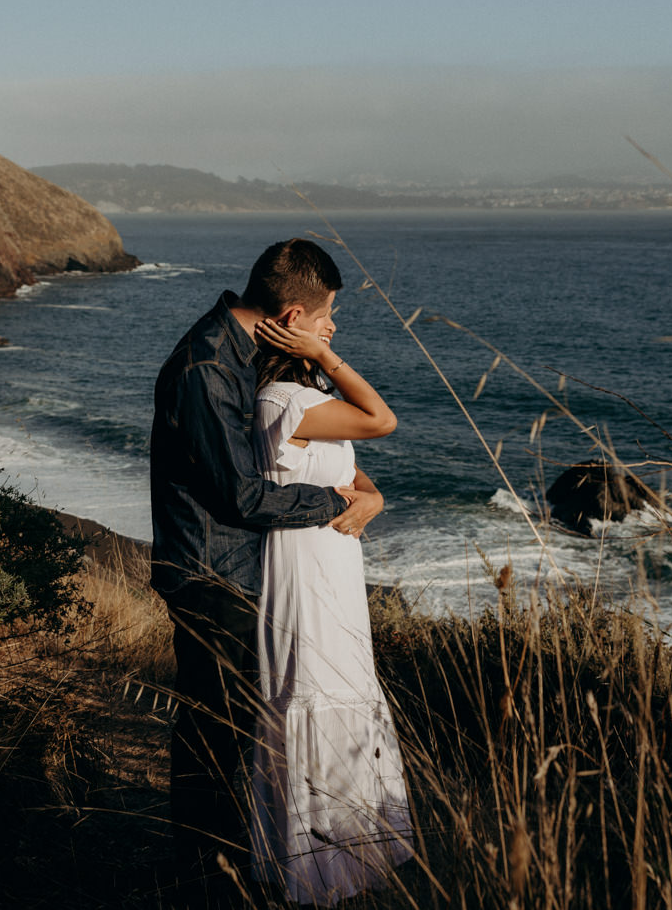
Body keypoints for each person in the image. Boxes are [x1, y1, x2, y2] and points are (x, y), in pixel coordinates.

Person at [149, 239, 382, 902]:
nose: (330, 326)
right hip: (209, 574)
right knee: (213, 737)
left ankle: (234, 870)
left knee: (231, 732)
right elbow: (241, 493)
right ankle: (206, 882)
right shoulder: (205, 367)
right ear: (294, 311)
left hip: (232, 571)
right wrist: (335, 503)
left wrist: (361, 485)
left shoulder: (237, 357)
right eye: (327, 313)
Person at [247, 295, 414, 904]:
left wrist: (373, 497)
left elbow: (350, 470)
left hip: (330, 558)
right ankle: (317, 871)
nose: (334, 327)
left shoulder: (307, 403)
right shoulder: (283, 400)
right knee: (316, 688)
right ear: (295, 325)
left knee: (340, 684)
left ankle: (344, 863)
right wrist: (328, 356)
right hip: (306, 565)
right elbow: (380, 419)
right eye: (326, 320)